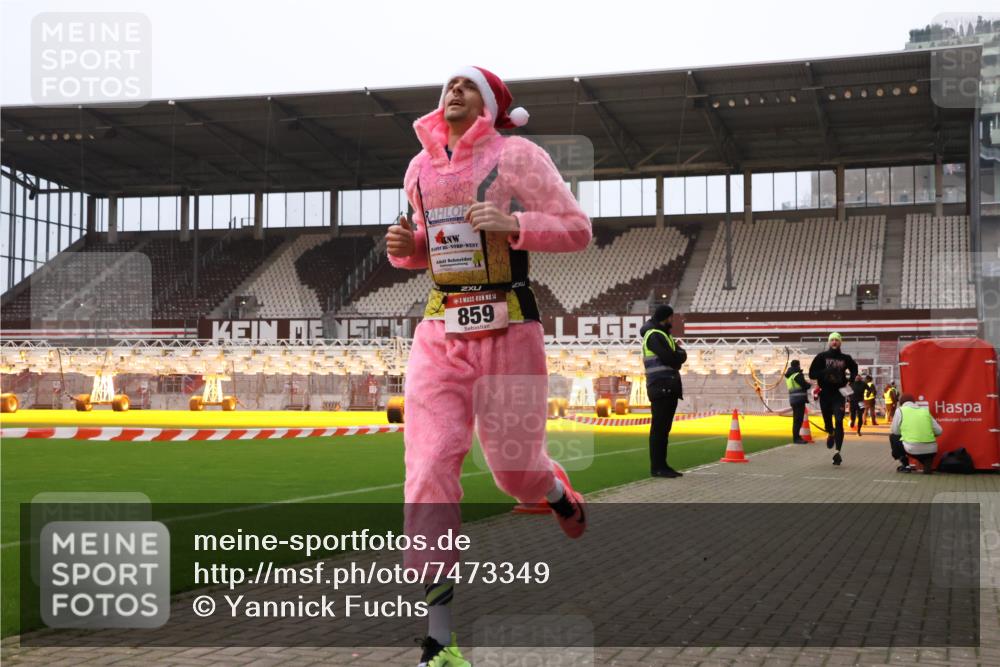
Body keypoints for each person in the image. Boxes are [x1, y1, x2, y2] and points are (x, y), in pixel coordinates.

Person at [385, 66, 592, 667]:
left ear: (492, 105)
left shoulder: (517, 155)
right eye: (448, 84)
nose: (454, 91)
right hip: (438, 330)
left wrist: (515, 225)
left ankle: (553, 491)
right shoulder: (418, 168)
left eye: (467, 85)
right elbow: (423, 244)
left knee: (514, 473)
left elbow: (578, 230)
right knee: (426, 465)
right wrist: (407, 251)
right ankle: (438, 638)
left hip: (509, 328)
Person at [640, 305, 687, 477]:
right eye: (671, 318)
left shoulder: (663, 335)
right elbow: (672, 358)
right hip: (661, 386)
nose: (672, 321)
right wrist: (677, 359)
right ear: (665, 318)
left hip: (666, 387)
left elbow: (682, 355)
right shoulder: (655, 336)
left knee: (663, 430)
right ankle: (658, 467)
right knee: (659, 430)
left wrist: (677, 358)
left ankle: (662, 465)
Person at [808, 332, 859, 466]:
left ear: (840, 342)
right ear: (829, 342)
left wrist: (850, 380)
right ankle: (830, 433)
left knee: (839, 420)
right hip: (825, 393)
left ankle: (837, 452)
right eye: (832, 340)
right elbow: (812, 374)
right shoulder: (821, 357)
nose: (834, 342)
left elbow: (854, 368)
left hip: (839, 394)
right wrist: (825, 372)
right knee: (828, 422)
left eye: (837, 340)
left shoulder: (845, 358)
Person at [889, 393, 942, 473]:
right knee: (924, 450)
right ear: (914, 402)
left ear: (901, 403)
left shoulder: (900, 410)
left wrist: (905, 432)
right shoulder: (924, 411)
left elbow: (895, 431)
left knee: (893, 437)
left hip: (912, 448)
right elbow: (939, 431)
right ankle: (926, 463)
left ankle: (906, 465)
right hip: (931, 449)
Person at [784, 359, 810, 443]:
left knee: (796, 420)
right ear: (798, 365)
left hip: (793, 400)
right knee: (798, 420)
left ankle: (796, 437)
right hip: (799, 400)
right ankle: (796, 438)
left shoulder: (789, 377)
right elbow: (805, 386)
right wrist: (809, 384)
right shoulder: (797, 375)